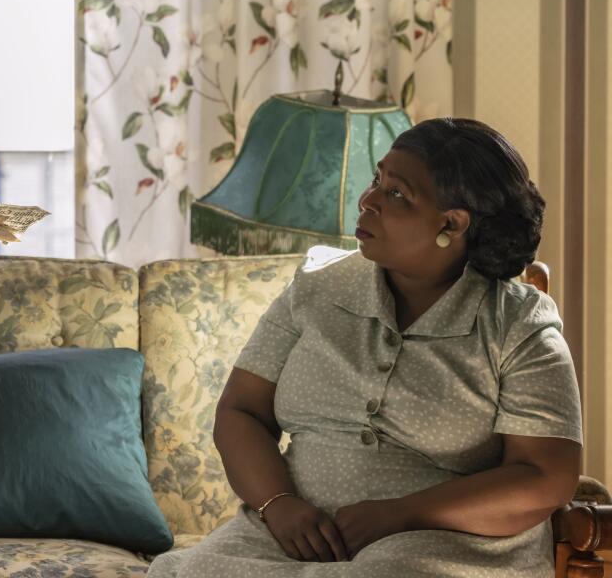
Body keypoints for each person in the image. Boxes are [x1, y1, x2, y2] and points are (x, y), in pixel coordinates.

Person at [148, 118, 583, 577]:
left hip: (447, 547)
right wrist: (280, 505)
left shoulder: (517, 325)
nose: (368, 199)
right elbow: (241, 411)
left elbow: (544, 476)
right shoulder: (314, 292)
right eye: (378, 180)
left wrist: (402, 513)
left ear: (451, 223)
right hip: (291, 536)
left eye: (396, 194)